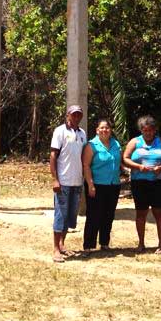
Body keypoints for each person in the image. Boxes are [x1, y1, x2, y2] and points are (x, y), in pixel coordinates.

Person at [122, 115, 161, 253]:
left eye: (150, 130)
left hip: (158, 182)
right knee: (141, 214)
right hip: (139, 183)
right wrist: (138, 167)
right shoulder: (135, 142)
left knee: (158, 212)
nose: (148, 133)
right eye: (145, 130)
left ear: (154, 130)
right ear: (141, 130)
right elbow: (125, 158)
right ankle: (141, 244)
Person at [50, 104, 86, 263]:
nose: (77, 117)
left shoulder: (82, 133)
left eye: (79, 114)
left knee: (70, 215)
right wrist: (55, 179)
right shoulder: (60, 131)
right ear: (68, 115)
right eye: (74, 114)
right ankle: (55, 249)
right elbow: (53, 156)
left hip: (77, 181)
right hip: (63, 182)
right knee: (60, 214)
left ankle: (62, 243)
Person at [81, 119, 122, 251]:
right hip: (96, 185)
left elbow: (120, 162)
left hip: (113, 184)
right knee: (94, 215)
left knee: (108, 215)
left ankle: (104, 243)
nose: (104, 130)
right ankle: (88, 245)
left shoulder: (115, 144)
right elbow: (86, 165)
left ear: (110, 130)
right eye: (102, 128)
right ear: (97, 130)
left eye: (107, 128)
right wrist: (90, 184)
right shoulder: (91, 145)